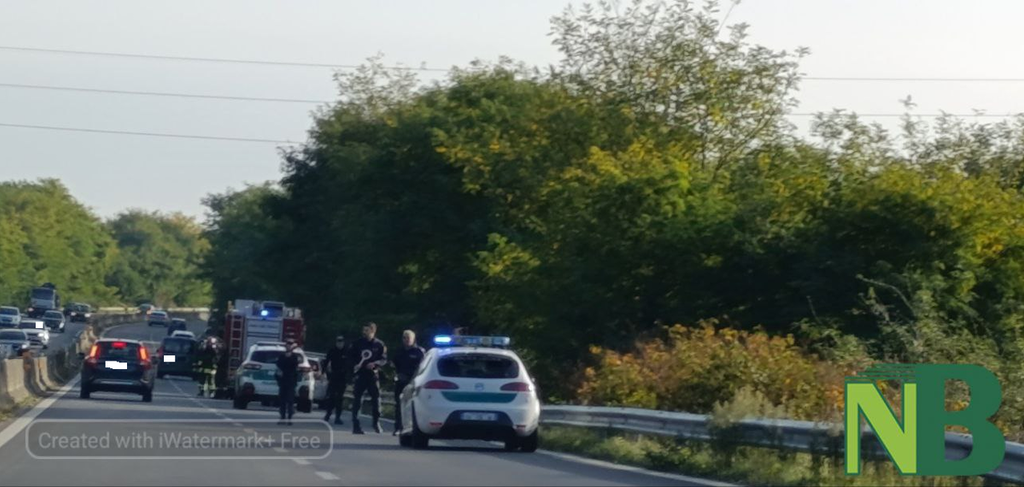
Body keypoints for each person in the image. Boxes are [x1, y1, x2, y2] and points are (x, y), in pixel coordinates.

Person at [350, 322, 387, 434]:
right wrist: (354, 365)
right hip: (361, 374)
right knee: (357, 400)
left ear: (373, 331)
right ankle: (356, 425)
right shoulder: (357, 343)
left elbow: (384, 359)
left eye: (366, 330)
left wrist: (375, 364)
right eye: (363, 330)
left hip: (372, 375)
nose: (364, 332)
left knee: (376, 399)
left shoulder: (379, 344)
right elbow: (350, 357)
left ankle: (376, 422)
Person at [391, 329, 425, 435]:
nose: (407, 340)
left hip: (414, 382)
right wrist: (396, 375)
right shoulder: (399, 351)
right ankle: (398, 427)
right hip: (401, 381)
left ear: (413, 339)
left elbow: (423, 368)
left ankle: (414, 427)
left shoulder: (419, 352)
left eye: (409, 338)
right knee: (399, 405)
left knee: (414, 406)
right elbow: (393, 365)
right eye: (405, 338)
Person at [321, 335, 350, 425]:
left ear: (343, 343)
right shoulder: (332, 350)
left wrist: (350, 377)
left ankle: (338, 417)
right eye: (338, 342)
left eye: (341, 342)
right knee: (331, 396)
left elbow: (351, 364)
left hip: (343, 377)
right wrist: (323, 372)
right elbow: (326, 361)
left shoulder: (347, 351)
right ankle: (328, 414)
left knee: (339, 398)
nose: (339, 344)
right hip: (333, 376)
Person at [275, 341, 301, 426]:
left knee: (290, 401)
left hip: (291, 381)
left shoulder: (294, 357)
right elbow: (278, 367)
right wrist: (278, 379)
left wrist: (295, 381)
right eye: (287, 345)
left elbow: (295, 368)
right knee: (282, 401)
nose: (288, 346)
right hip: (283, 381)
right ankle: (282, 417)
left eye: (290, 345)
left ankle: (290, 418)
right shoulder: (282, 356)